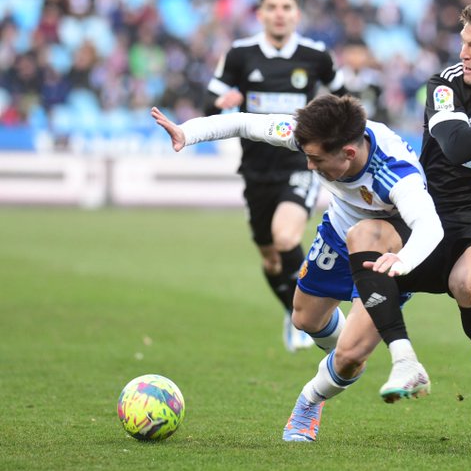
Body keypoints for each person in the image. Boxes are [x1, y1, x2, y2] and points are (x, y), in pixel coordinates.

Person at [279, 0, 471, 452]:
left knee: (469, 282)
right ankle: (312, 400)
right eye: (463, 42)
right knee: (350, 345)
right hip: (427, 219)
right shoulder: (447, 86)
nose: (464, 53)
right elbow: (455, 145)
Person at [150, 93, 444, 432]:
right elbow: (245, 123)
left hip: (387, 250)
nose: (309, 166)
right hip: (339, 233)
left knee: (349, 357)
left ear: (349, 153)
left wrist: (403, 261)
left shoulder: (395, 175)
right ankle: (349, 350)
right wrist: (187, 133)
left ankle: (310, 401)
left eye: (316, 159)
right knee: (304, 319)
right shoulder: (310, 134)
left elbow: (431, 226)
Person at [203, 0, 347, 353]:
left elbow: (346, 99)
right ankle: (293, 310)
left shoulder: (316, 55)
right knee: (271, 259)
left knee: (286, 238)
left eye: (286, 7)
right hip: (255, 170)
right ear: (261, 14)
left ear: (297, 14)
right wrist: (222, 102)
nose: (279, 14)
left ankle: (317, 316)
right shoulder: (240, 54)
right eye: (272, 7)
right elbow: (209, 105)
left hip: (300, 163)